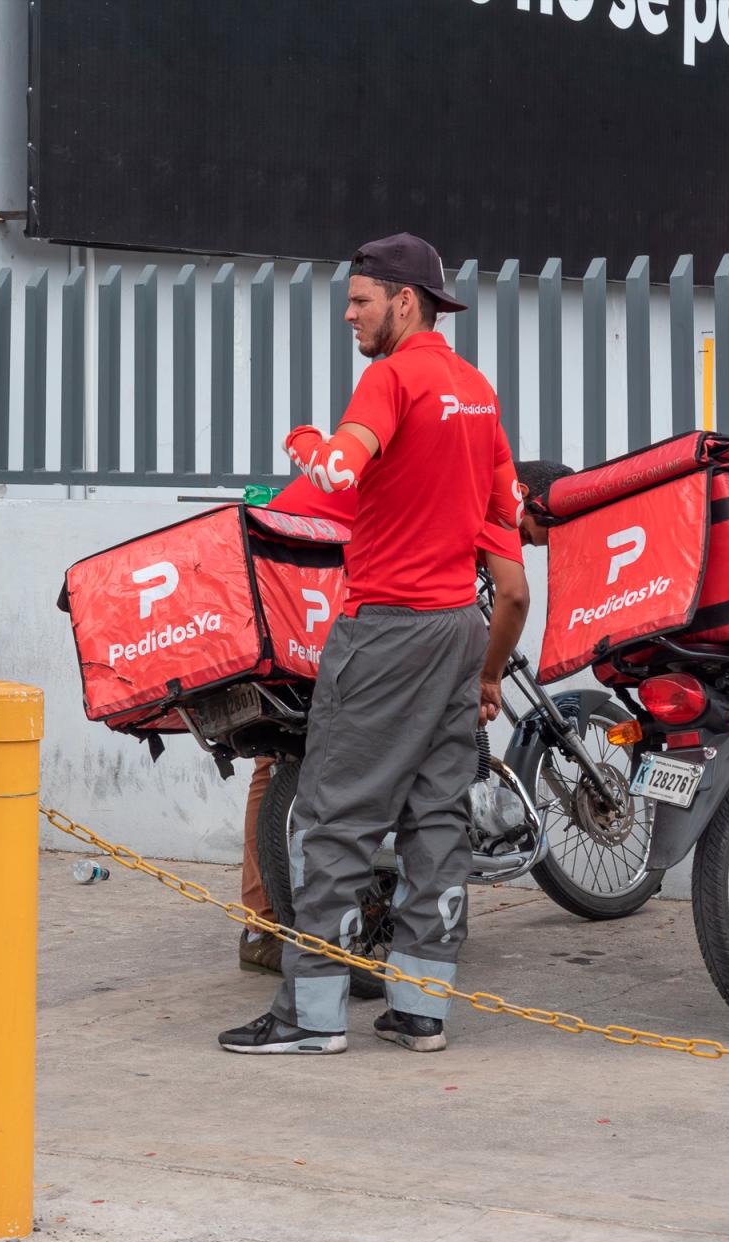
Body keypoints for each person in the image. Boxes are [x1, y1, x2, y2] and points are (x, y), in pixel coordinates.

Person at [218, 233, 526, 1056]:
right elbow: (511, 543)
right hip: (460, 629)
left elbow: (339, 476)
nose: (349, 314)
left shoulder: (389, 379)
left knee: (336, 818)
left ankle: (310, 1016)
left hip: (385, 627)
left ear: (405, 301)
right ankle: (422, 1009)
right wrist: (490, 670)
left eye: (360, 300)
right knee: (436, 820)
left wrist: (314, 448)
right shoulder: (477, 393)